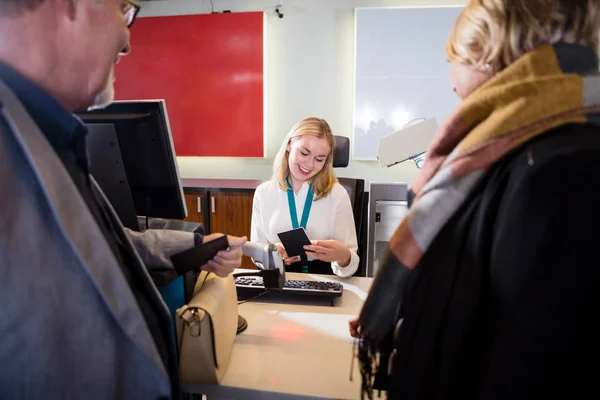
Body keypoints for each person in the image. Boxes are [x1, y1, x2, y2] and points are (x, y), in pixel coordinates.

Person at [0, 1, 246, 399]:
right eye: (123, 8)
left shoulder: (48, 135)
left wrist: (198, 245)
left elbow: (94, 244)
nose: (129, 40)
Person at [354, 0, 600, 398]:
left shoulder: (561, 172)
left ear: (488, 54)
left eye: (453, 60)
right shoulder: (520, 153)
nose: (451, 82)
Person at [251, 117, 359, 277]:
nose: (309, 164)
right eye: (304, 153)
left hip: (324, 281)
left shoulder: (337, 194)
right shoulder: (264, 193)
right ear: (289, 145)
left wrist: (344, 256)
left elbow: (351, 263)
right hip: (279, 281)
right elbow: (257, 253)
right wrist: (271, 255)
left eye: (319, 159)